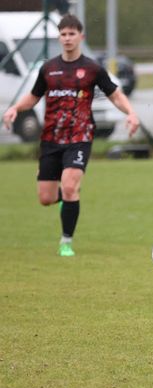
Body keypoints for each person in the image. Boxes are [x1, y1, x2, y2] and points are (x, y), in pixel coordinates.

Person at [2, 14, 139, 257]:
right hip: (51, 139)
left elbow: (115, 95)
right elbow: (33, 96)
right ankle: (68, 198)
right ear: (59, 37)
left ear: (80, 37)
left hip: (80, 137)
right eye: (63, 34)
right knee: (46, 198)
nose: (67, 38)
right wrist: (15, 108)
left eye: (71, 34)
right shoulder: (49, 68)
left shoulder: (92, 68)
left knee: (68, 186)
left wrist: (131, 113)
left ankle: (66, 241)